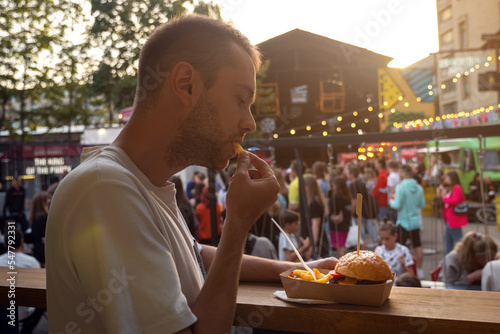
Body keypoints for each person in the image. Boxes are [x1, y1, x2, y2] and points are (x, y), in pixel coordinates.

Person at [45, 15, 336, 334]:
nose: (249, 123)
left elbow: (196, 256)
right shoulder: (105, 189)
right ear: (186, 84)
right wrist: (238, 223)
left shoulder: (139, 183)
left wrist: (301, 270)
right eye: (241, 100)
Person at [0, 228, 44, 333]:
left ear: (5, 244)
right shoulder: (32, 262)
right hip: (25, 311)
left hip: (2, 311)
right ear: (22, 242)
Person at [389, 165, 425, 278]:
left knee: (400, 247)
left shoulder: (401, 187)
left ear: (403, 174)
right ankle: (419, 270)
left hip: (403, 222)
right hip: (415, 221)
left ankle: (402, 270)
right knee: (417, 245)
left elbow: (397, 205)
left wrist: (391, 200)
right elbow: (422, 204)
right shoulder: (419, 187)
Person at [438, 170, 468, 254]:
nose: (445, 180)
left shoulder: (456, 188)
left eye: (447, 178)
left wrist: (444, 198)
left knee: (458, 240)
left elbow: (455, 201)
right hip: (449, 218)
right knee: (448, 240)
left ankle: (462, 256)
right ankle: (449, 258)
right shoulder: (453, 188)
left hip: (453, 218)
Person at [303, 175, 329, 258]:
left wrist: (313, 245)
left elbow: (316, 224)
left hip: (317, 239)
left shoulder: (314, 202)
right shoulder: (314, 200)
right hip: (316, 237)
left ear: (308, 187)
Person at [328, 176, 352, 258]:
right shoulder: (348, 197)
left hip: (336, 226)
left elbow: (330, 212)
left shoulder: (335, 198)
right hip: (346, 225)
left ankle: (340, 264)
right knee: (342, 247)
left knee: (339, 248)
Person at [28, 191, 51, 267]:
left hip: (38, 249)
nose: (49, 201)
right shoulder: (44, 217)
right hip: (45, 250)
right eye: (47, 199)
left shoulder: (35, 217)